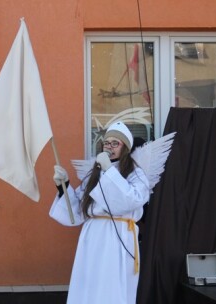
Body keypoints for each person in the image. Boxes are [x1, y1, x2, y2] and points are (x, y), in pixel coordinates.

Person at [50, 121, 150, 304]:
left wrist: (109, 171)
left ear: (125, 148)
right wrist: (63, 186)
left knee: (111, 285)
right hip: (92, 237)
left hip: (118, 237)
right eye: (106, 142)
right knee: (89, 283)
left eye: (115, 143)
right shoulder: (93, 175)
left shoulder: (136, 174)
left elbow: (130, 200)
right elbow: (79, 210)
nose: (109, 147)